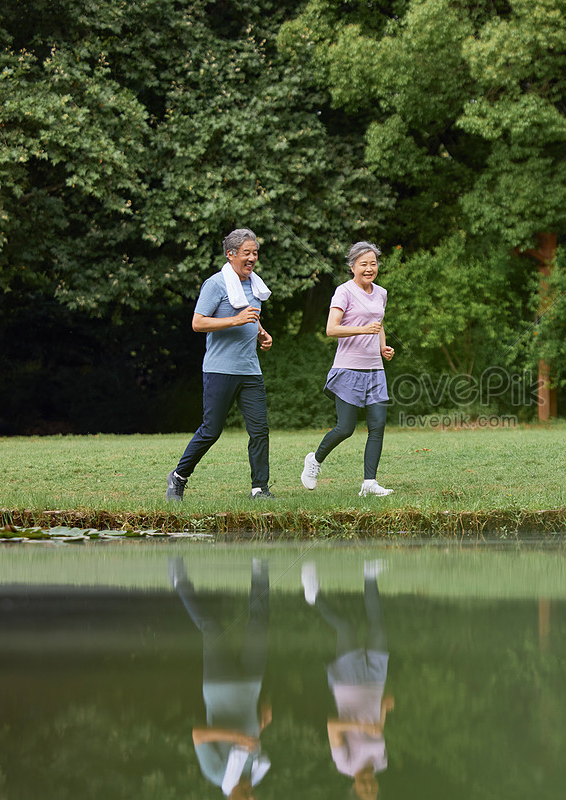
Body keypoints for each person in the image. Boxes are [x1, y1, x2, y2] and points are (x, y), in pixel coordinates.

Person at [167, 228, 275, 502]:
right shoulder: (215, 284)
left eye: (255, 253)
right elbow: (198, 323)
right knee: (211, 430)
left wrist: (261, 332)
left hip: (250, 370)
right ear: (231, 254)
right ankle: (178, 477)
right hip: (220, 370)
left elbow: (250, 316)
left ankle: (259, 489)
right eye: (246, 253)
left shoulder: (255, 285)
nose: (252, 259)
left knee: (260, 430)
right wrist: (236, 321)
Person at [169, 556, 273, 799]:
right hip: (250, 686)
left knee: (212, 626)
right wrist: (262, 723)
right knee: (259, 625)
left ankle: (179, 580)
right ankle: (260, 568)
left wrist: (235, 737)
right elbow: (249, 738)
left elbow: (199, 735)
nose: (251, 798)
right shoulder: (255, 772)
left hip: (220, 685)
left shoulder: (217, 774)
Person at [300, 242, 395, 497]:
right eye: (363, 264)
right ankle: (315, 460)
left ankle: (369, 483)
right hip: (348, 369)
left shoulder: (381, 293)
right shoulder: (344, 292)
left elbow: (379, 324)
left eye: (373, 263)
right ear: (352, 266)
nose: (369, 268)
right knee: (346, 428)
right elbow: (332, 329)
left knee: (377, 426)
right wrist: (364, 330)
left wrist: (382, 348)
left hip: (374, 370)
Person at [301, 560, 394, 800]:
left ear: (354, 790)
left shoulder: (345, 765)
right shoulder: (382, 763)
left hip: (348, 685)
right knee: (379, 630)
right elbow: (377, 730)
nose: (370, 787)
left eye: (365, 792)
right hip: (375, 684)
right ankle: (369, 573)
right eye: (374, 791)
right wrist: (383, 709)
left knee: (346, 628)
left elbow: (333, 726)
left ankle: (314, 596)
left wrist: (361, 726)